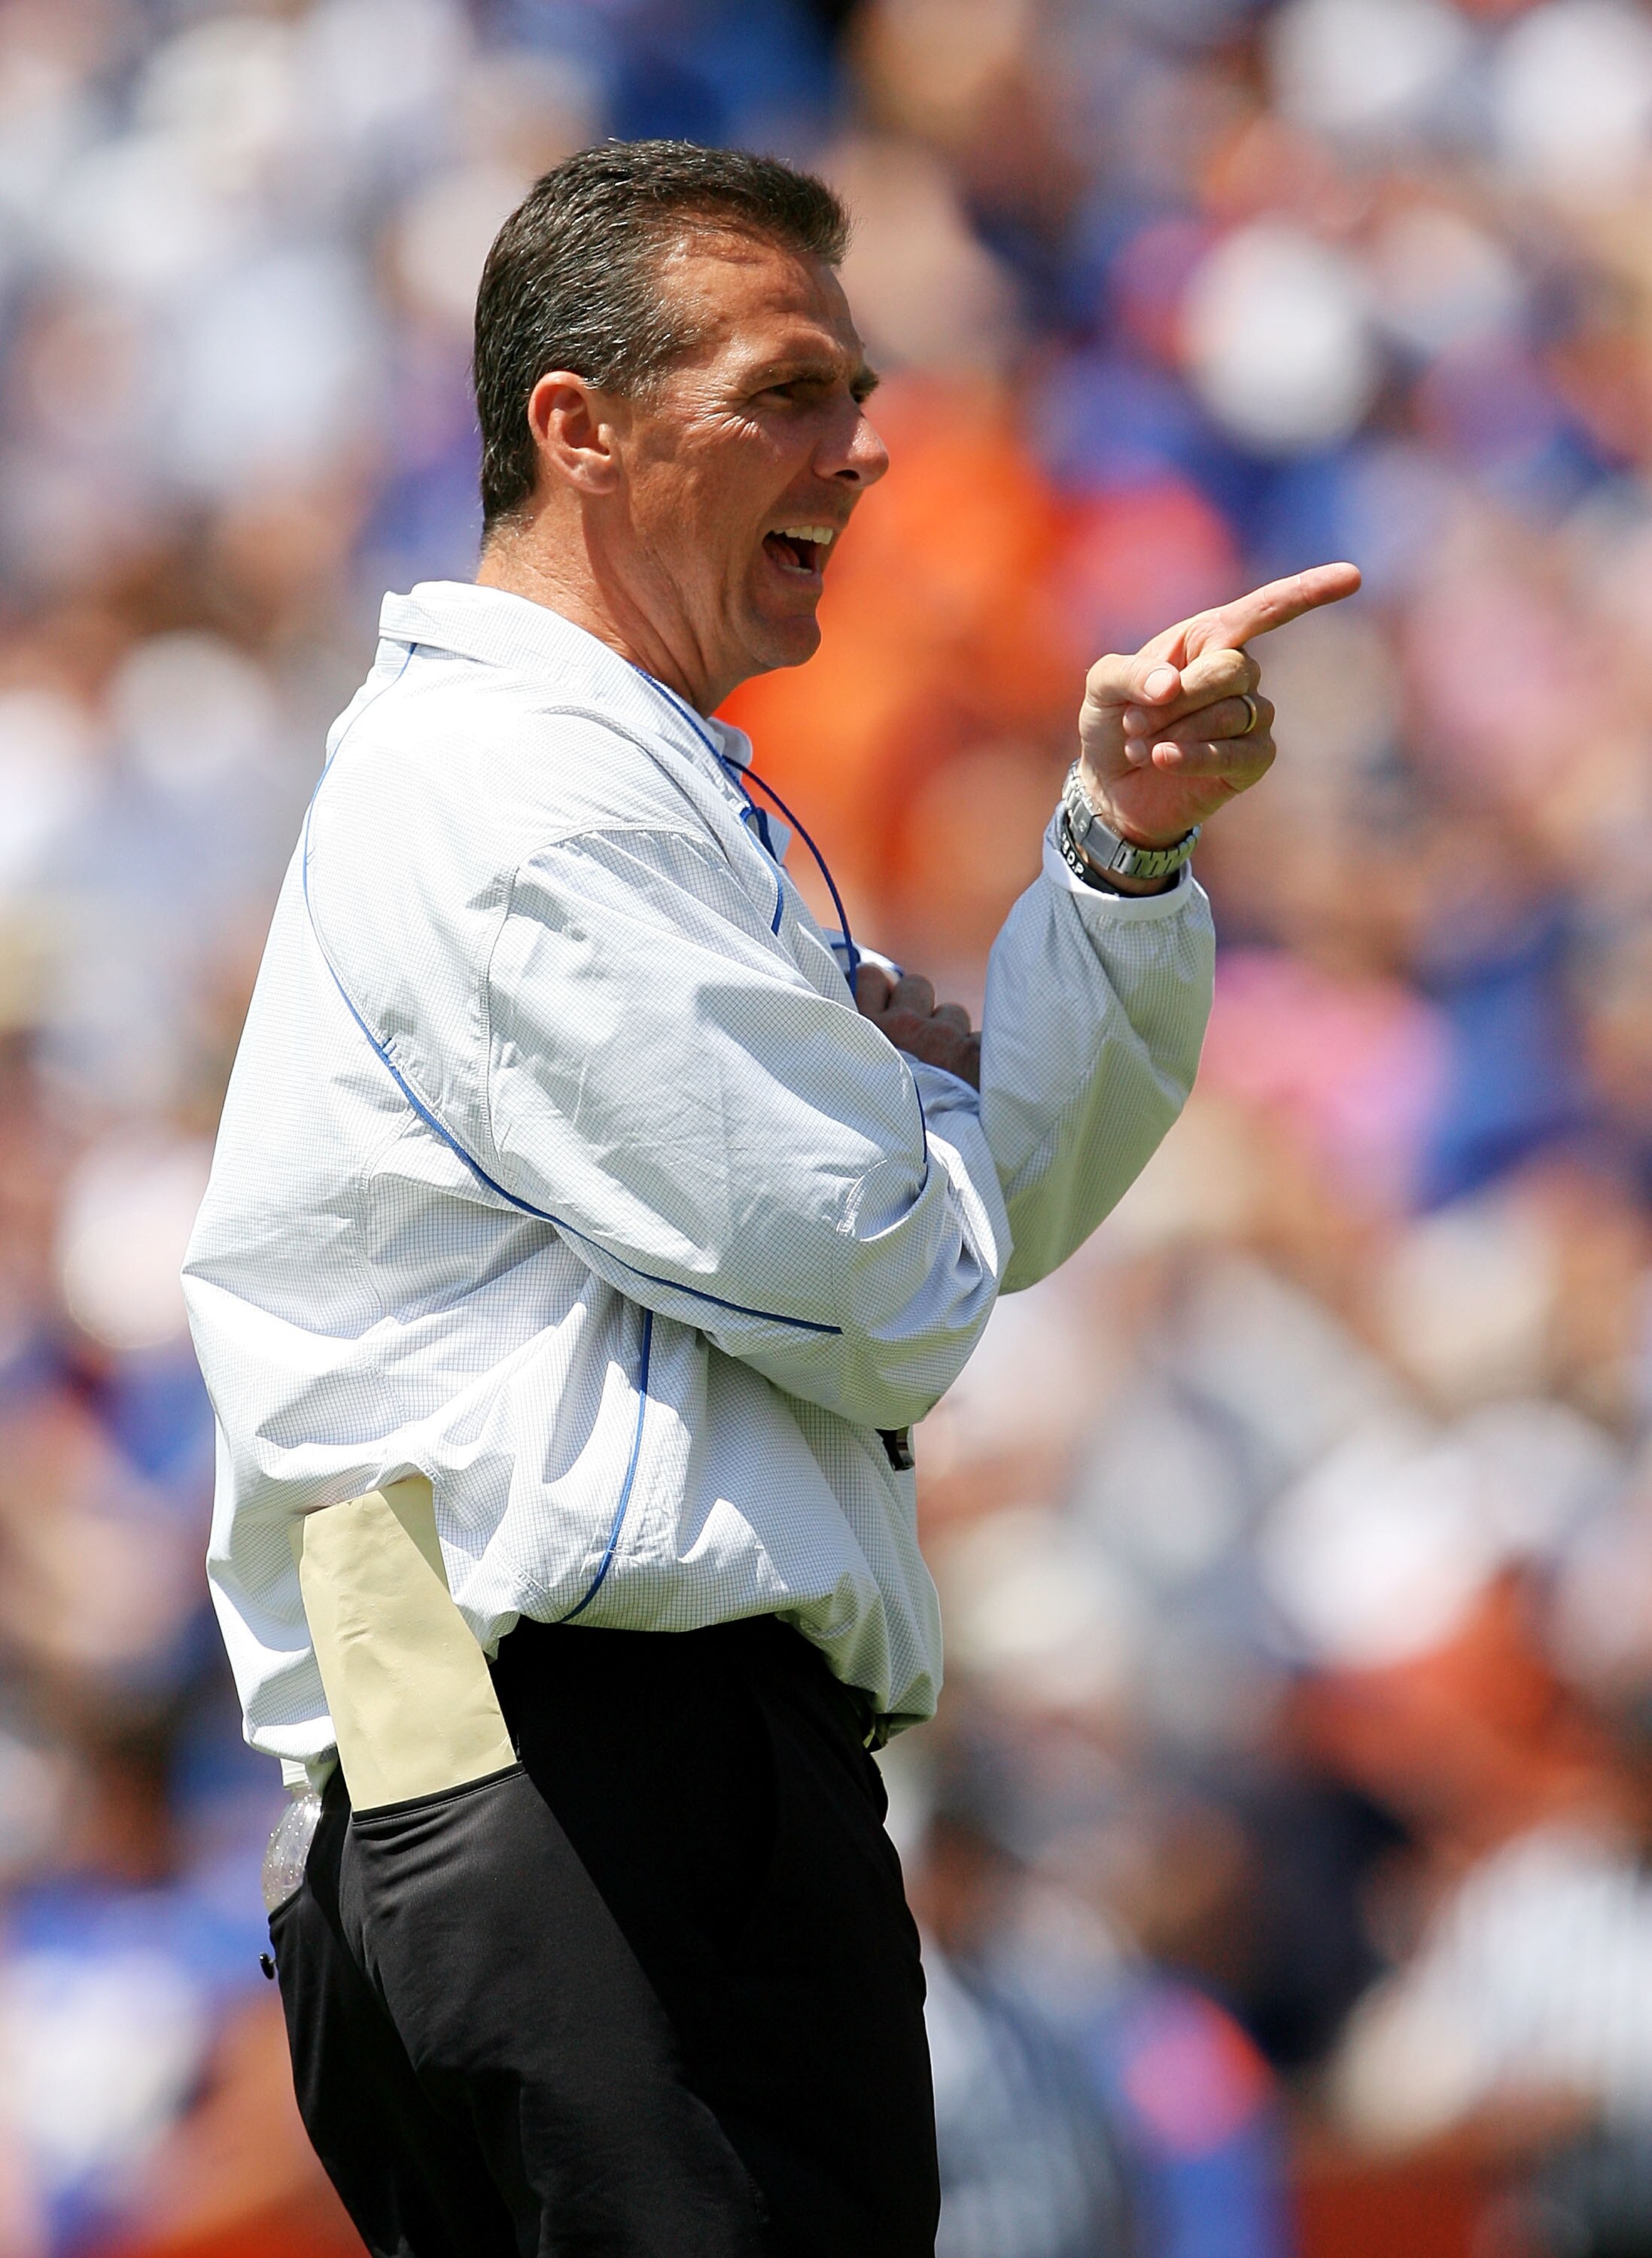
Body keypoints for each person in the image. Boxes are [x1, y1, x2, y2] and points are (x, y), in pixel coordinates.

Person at [182, 138, 1358, 2258]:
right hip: (585, 1783)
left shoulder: (619, 780)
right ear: (579, 425)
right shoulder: (512, 787)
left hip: (600, 1780)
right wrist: (898, 1113)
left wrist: (1115, 853)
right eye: (787, 390)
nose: (866, 448)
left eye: (857, 390)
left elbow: (966, 1208)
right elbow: (895, 1280)